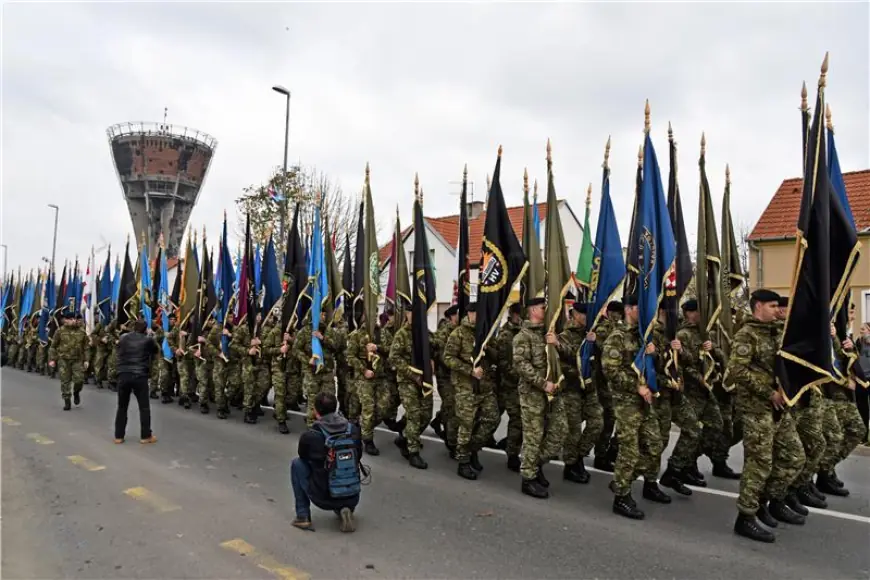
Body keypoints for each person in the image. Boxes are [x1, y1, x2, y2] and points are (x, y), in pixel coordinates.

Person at [727, 289, 806, 543]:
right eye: (772, 306)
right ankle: (746, 517)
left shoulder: (777, 332)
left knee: (794, 456)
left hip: (779, 409)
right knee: (759, 464)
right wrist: (768, 392)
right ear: (757, 306)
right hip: (756, 408)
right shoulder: (746, 335)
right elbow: (736, 370)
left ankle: (766, 500)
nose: (776, 310)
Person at [291, 392, 362, 533]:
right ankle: (345, 507)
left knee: (297, 464)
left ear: (316, 412)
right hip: (353, 494)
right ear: (335, 409)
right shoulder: (353, 430)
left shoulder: (311, 435)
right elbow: (358, 456)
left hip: (324, 497)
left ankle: (303, 516)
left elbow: (303, 456)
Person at [114, 319, 159, 444]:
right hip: (140, 375)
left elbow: (118, 348)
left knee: (122, 407)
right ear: (145, 329)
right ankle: (145, 436)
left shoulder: (123, 337)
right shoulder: (147, 340)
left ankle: (119, 436)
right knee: (144, 407)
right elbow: (155, 351)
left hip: (123, 374)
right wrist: (151, 336)